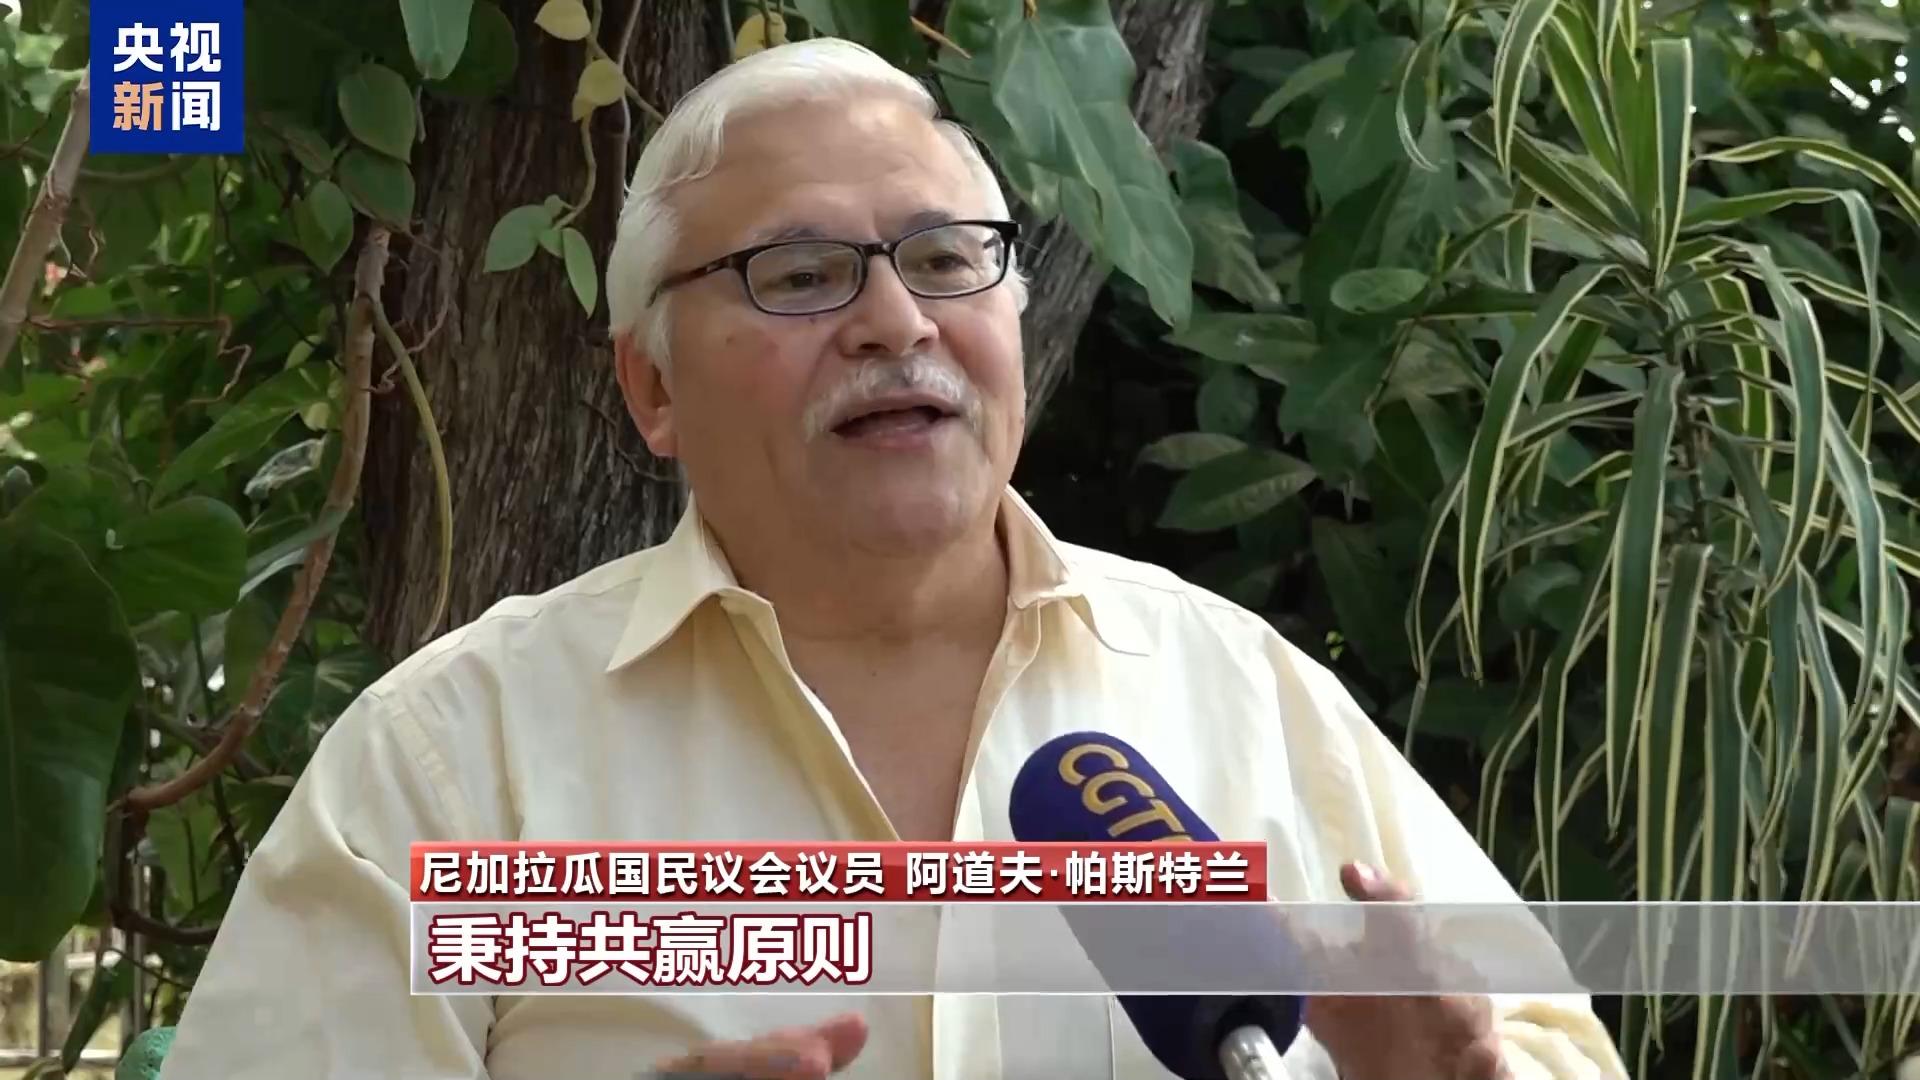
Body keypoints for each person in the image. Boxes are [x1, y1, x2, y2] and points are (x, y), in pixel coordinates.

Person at [157, 38, 1629, 1080]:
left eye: (944, 259)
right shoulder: (447, 764)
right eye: (800, 274)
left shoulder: (1237, 693)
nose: (897, 323)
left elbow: (1540, 1052)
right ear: (652, 387)